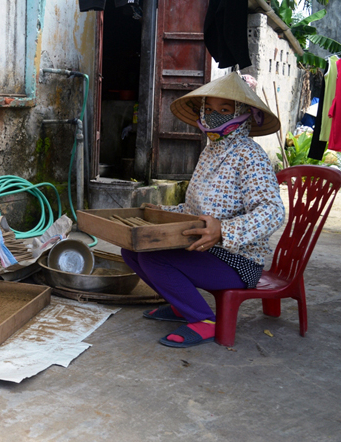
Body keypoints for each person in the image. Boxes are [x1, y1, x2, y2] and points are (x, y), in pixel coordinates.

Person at [121, 73, 285, 348]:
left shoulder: (250, 156)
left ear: (242, 114)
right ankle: (180, 305)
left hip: (238, 261)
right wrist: (159, 211)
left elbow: (272, 211)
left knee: (154, 259)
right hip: (205, 249)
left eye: (224, 110)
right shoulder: (210, 152)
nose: (213, 116)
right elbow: (194, 209)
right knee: (132, 249)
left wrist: (224, 230)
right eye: (209, 109)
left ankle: (205, 320)